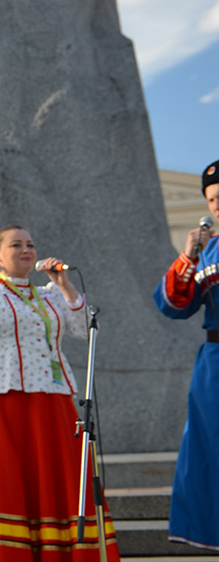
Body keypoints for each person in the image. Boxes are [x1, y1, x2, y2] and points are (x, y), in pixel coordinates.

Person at [0, 222, 119, 561]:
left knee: (59, 478)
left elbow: (83, 328)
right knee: (11, 481)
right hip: (5, 399)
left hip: (53, 399)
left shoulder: (49, 294)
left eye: (29, 244)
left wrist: (64, 284)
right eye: (16, 244)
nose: (26, 250)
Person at [153, 159, 219, 551]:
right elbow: (173, 306)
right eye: (212, 199)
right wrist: (188, 256)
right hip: (215, 361)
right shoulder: (207, 252)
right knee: (211, 449)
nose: (217, 205)